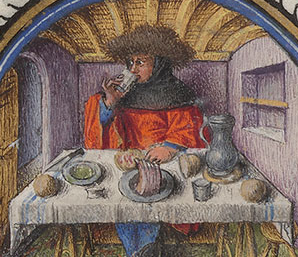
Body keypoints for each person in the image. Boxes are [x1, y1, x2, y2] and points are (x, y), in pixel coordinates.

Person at [85, 27, 208, 158]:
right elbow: (103, 134)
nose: (133, 69)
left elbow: (188, 131)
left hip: (160, 161)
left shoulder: (179, 94)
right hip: (128, 160)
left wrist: (169, 148)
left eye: (140, 63)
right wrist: (110, 103)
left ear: (158, 64)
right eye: (131, 62)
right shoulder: (123, 93)